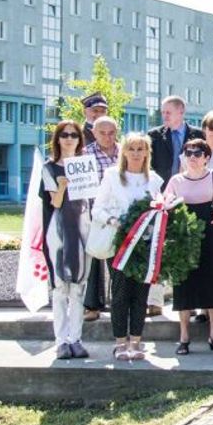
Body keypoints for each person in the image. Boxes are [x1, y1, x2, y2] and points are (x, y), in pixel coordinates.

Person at [91, 132, 164, 361]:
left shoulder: (154, 179)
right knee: (121, 294)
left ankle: (137, 342)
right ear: (123, 151)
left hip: (144, 246)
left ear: (147, 153)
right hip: (119, 243)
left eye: (140, 149)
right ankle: (120, 343)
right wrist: (114, 221)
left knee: (140, 296)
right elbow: (97, 209)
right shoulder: (112, 176)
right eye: (131, 149)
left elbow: (160, 211)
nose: (135, 153)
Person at [164, 138, 213, 355]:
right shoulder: (175, 181)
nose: (192, 157)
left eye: (198, 153)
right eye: (188, 153)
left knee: (212, 282)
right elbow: (165, 207)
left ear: (207, 158)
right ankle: (184, 337)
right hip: (184, 238)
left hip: (211, 235)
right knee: (183, 285)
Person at [39, 121, 93, 359]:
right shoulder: (49, 168)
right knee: (60, 288)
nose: (69, 139)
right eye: (64, 135)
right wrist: (62, 186)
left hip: (82, 230)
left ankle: (76, 339)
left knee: (79, 288)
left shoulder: (84, 166)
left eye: (73, 135)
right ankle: (61, 340)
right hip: (59, 231)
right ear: (58, 139)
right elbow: (55, 202)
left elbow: (92, 199)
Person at [82, 115, 120, 322]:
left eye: (111, 132)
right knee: (94, 258)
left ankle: (119, 303)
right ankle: (92, 306)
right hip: (93, 212)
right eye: (102, 133)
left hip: (120, 213)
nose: (107, 137)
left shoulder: (126, 152)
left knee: (119, 260)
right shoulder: (84, 155)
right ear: (94, 133)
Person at [148, 95, 203, 190]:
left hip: (191, 189)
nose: (164, 116)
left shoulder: (199, 135)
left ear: (181, 112)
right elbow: (149, 165)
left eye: (168, 113)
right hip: (162, 190)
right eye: (163, 112)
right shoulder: (154, 135)